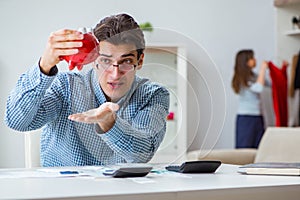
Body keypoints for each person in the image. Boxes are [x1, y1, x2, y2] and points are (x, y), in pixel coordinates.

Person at [5, 13, 170, 167]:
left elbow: (141, 155)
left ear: (140, 61)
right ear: (93, 59)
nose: (115, 73)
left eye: (126, 61)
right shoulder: (66, 87)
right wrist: (44, 66)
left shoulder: (153, 95)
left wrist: (109, 123)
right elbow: (17, 121)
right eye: (106, 60)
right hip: (63, 193)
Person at [231, 49, 269, 148]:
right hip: (246, 118)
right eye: (252, 58)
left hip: (258, 117)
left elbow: (269, 84)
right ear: (245, 62)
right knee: (244, 149)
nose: (255, 60)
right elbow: (259, 88)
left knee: (259, 148)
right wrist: (263, 69)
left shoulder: (254, 76)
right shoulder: (241, 79)